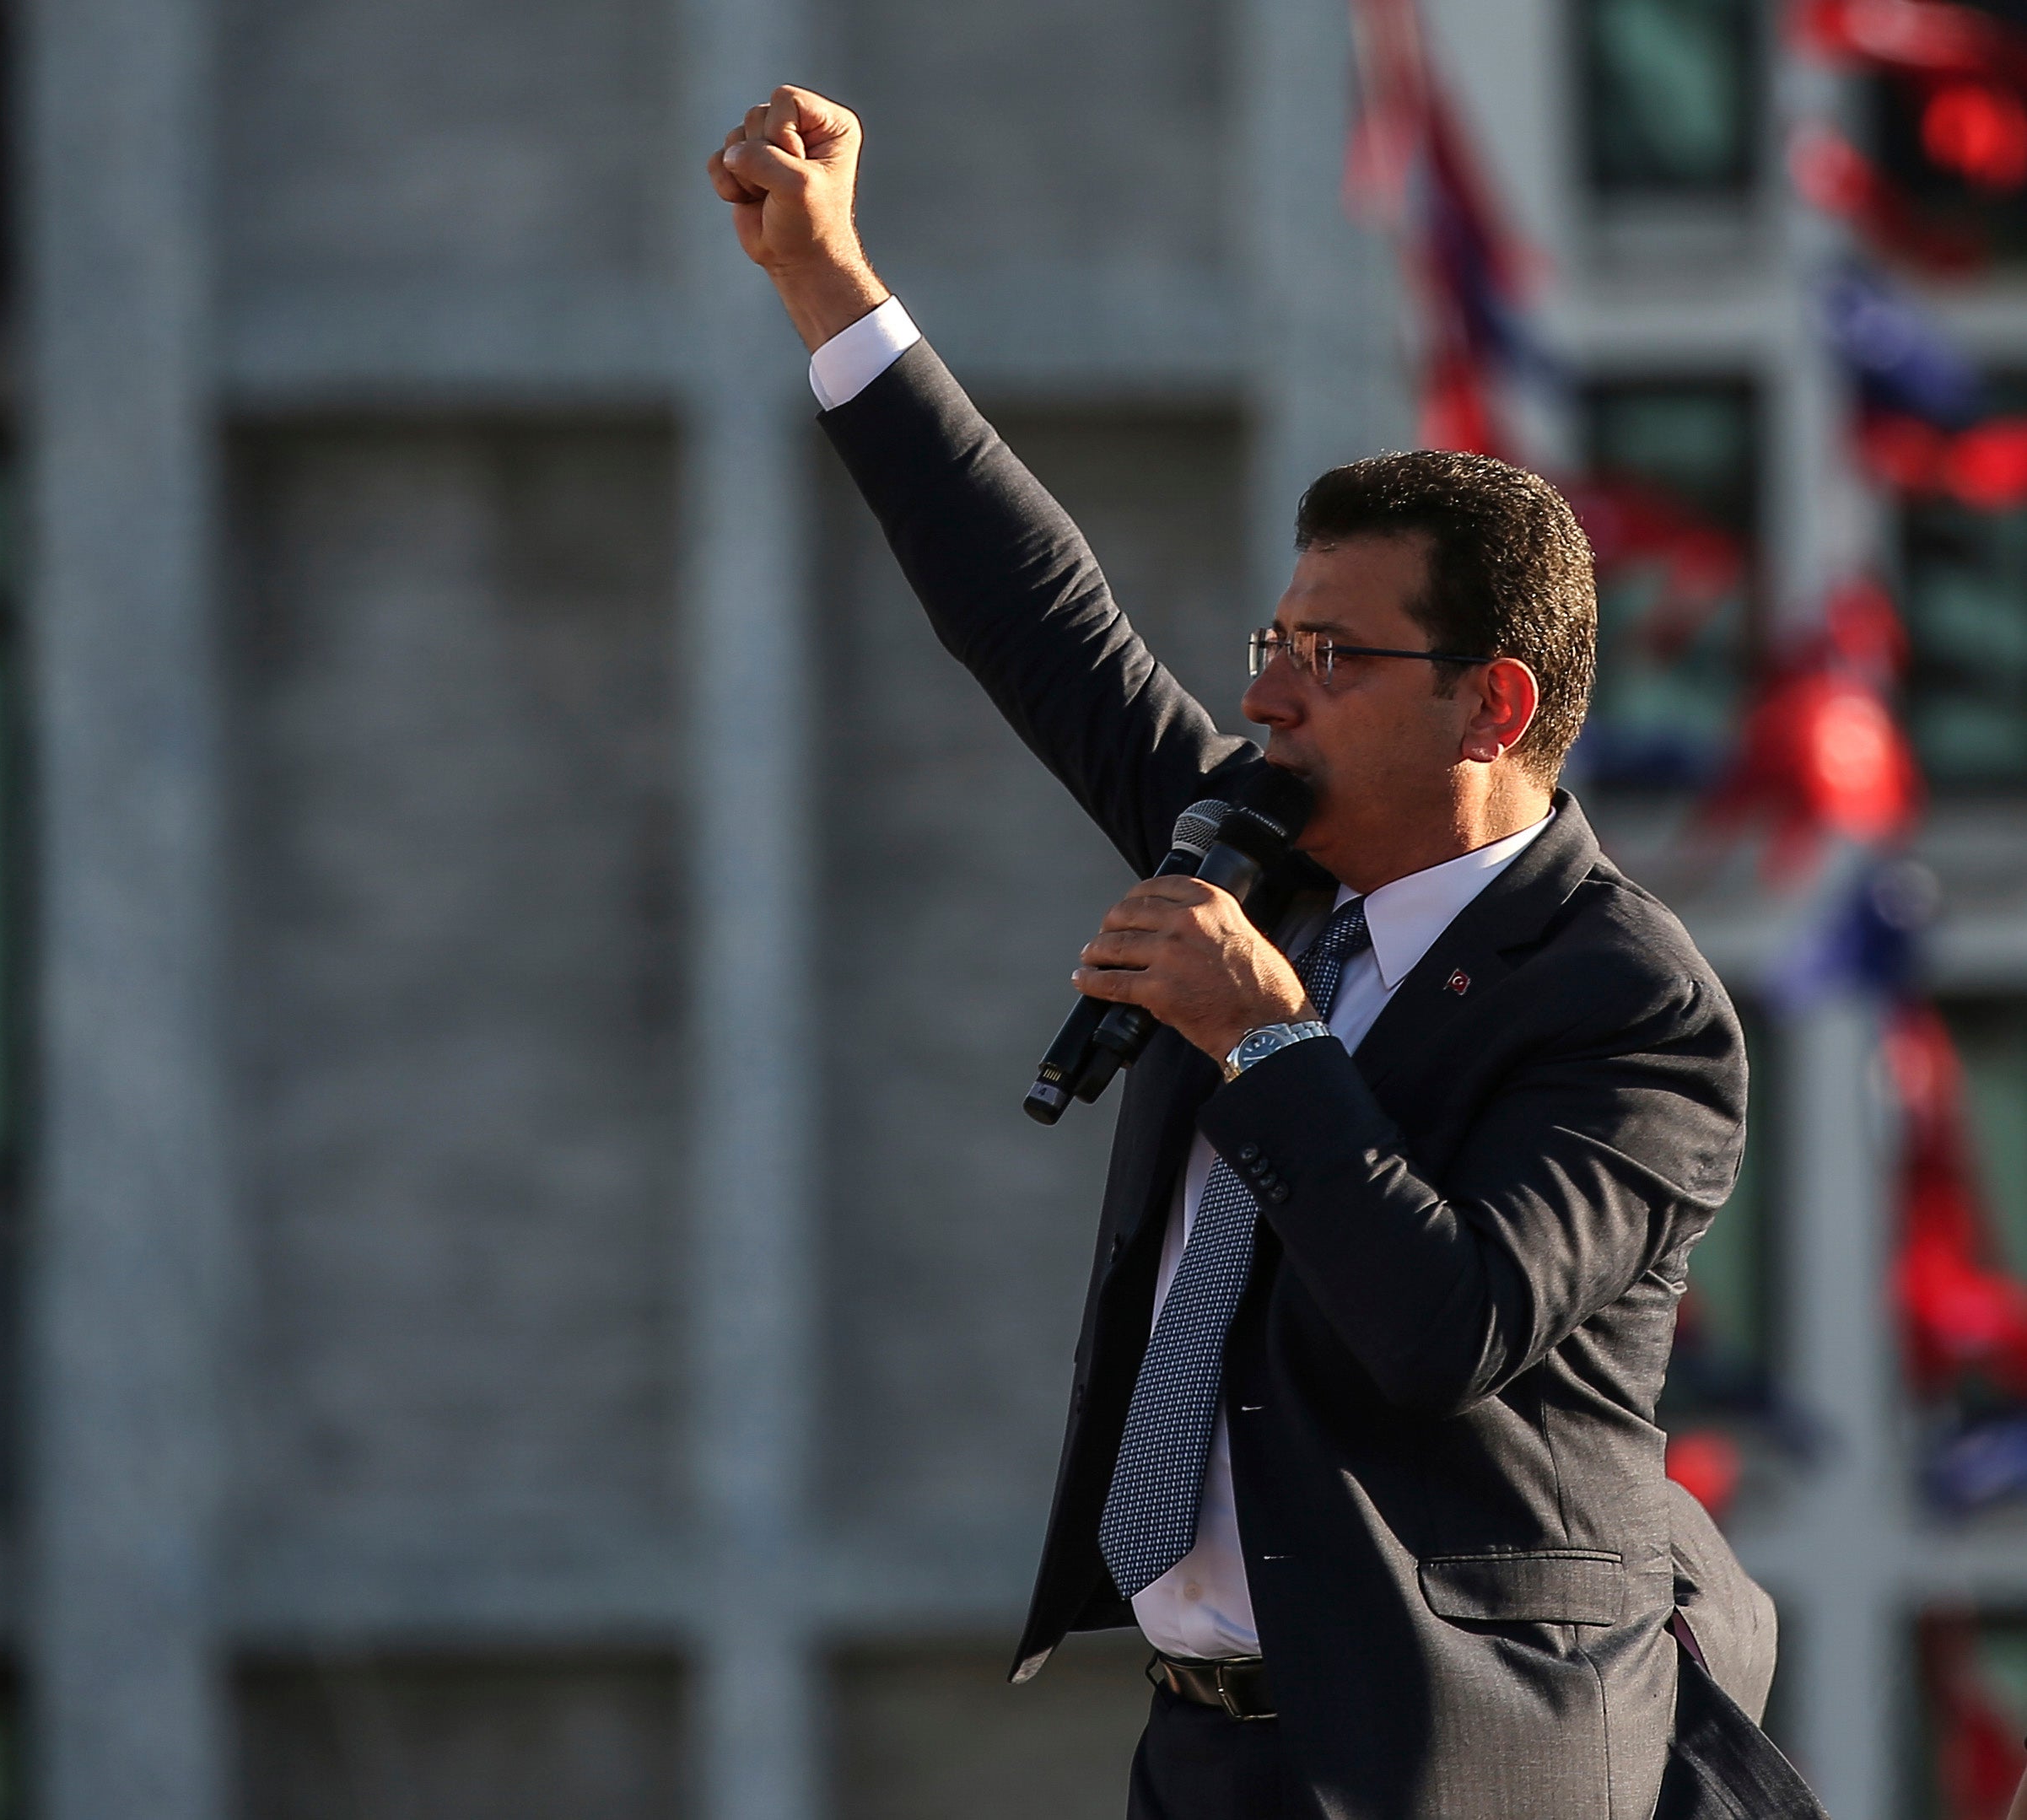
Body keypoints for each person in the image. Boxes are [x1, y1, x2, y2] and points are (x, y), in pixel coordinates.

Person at [708, 85, 1823, 1819]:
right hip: (1203, 1744)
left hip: (1465, 1760)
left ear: (1490, 702)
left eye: (1329, 653)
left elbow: (1445, 1320)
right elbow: (1037, 618)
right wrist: (829, 289)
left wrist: (1272, 1044)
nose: (1261, 691)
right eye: (1269, 636)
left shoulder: (1627, 1001)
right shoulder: (1268, 845)